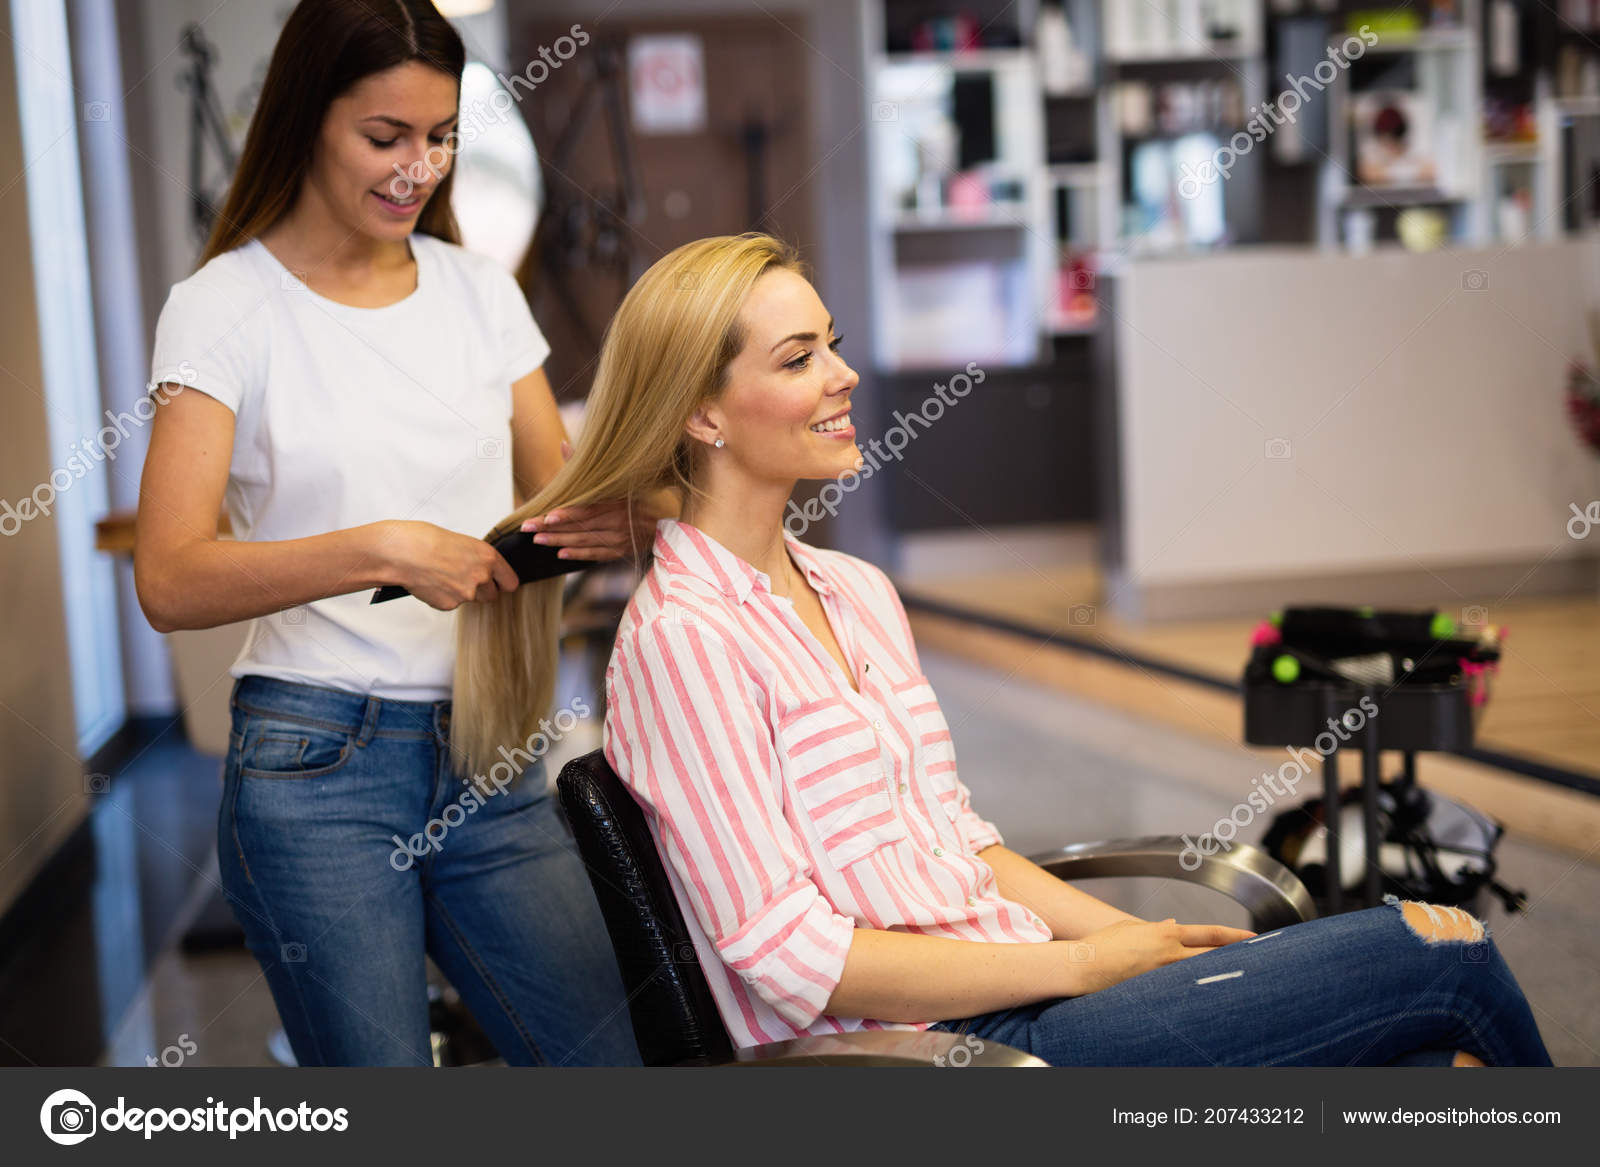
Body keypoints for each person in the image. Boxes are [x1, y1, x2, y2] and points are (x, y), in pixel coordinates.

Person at [451, 232, 1553, 1067]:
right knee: (1435, 953)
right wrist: (1081, 968)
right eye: (799, 358)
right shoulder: (682, 643)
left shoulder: (855, 591)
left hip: (1043, 992)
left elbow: (963, 849)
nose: (842, 375)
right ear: (702, 414)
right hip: (952, 1054)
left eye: (830, 342)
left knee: (1405, 1036)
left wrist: (1144, 944)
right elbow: (785, 957)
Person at [135, 0, 668, 1066]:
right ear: (303, 120)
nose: (416, 168)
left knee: (613, 1068)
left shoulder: (476, 289)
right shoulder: (225, 306)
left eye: (439, 137)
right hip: (316, 770)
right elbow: (170, 578)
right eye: (385, 138)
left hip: (493, 753)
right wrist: (381, 548)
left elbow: (552, 493)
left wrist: (613, 515)